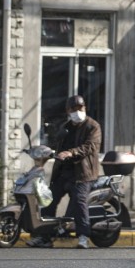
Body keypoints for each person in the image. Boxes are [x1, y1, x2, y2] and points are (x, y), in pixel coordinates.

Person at [27, 95, 102, 249]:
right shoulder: (66, 126)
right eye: (73, 109)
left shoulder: (93, 126)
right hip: (64, 172)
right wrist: (45, 151)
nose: (77, 111)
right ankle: (44, 236)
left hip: (83, 174)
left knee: (80, 201)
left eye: (80, 108)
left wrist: (71, 152)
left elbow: (90, 146)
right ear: (68, 111)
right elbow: (57, 144)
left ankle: (83, 236)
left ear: (85, 108)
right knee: (48, 200)